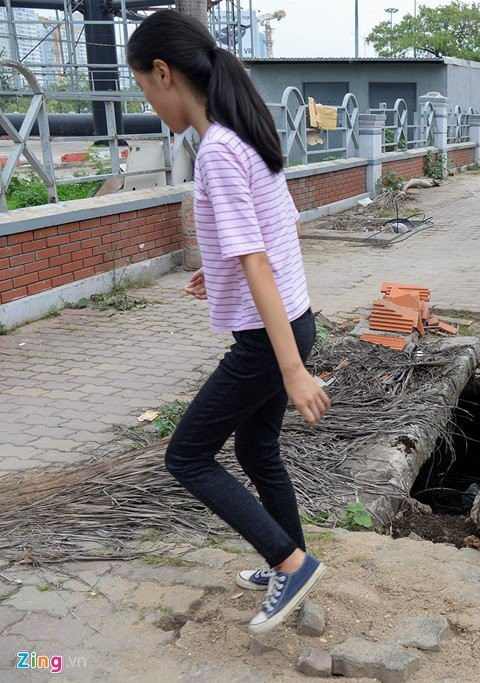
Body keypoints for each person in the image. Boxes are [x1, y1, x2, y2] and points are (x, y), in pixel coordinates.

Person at [127, 10, 330, 634]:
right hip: (292, 320)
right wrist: (215, 273)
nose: (149, 103)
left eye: (144, 88)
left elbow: (258, 259)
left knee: (187, 456)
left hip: (270, 341)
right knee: (255, 447)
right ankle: (288, 564)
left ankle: (292, 564)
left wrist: (292, 371)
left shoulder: (216, 150)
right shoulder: (246, 134)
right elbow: (281, 229)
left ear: (164, 73)